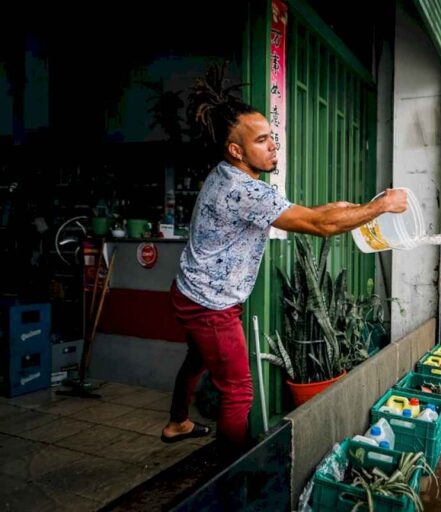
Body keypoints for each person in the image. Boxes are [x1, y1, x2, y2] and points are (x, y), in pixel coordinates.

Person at [160, 100, 407, 445]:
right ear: (236, 150)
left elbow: (306, 213)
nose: (273, 145)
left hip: (189, 289)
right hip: (211, 305)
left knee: (197, 359)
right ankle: (231, 482)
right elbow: (318, 225)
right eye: (261, 140)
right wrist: (381, 206)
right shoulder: (244, 191)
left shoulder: (224, 173)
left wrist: (343, 209)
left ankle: (178, 423)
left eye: (271, 137)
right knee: (239, 391)